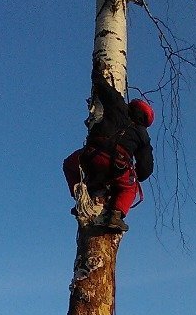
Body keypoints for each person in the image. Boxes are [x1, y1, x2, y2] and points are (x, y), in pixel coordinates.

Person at [63, 60, 154, 232]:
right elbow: (146, 169)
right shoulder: (144, 136)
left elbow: (102, 87)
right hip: (118, 166)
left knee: (69, 164)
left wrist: (98, 70)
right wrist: (137, 174)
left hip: (92, 156)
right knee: (129, 188)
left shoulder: (119, 106)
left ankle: (80, 198)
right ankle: (116, 215)